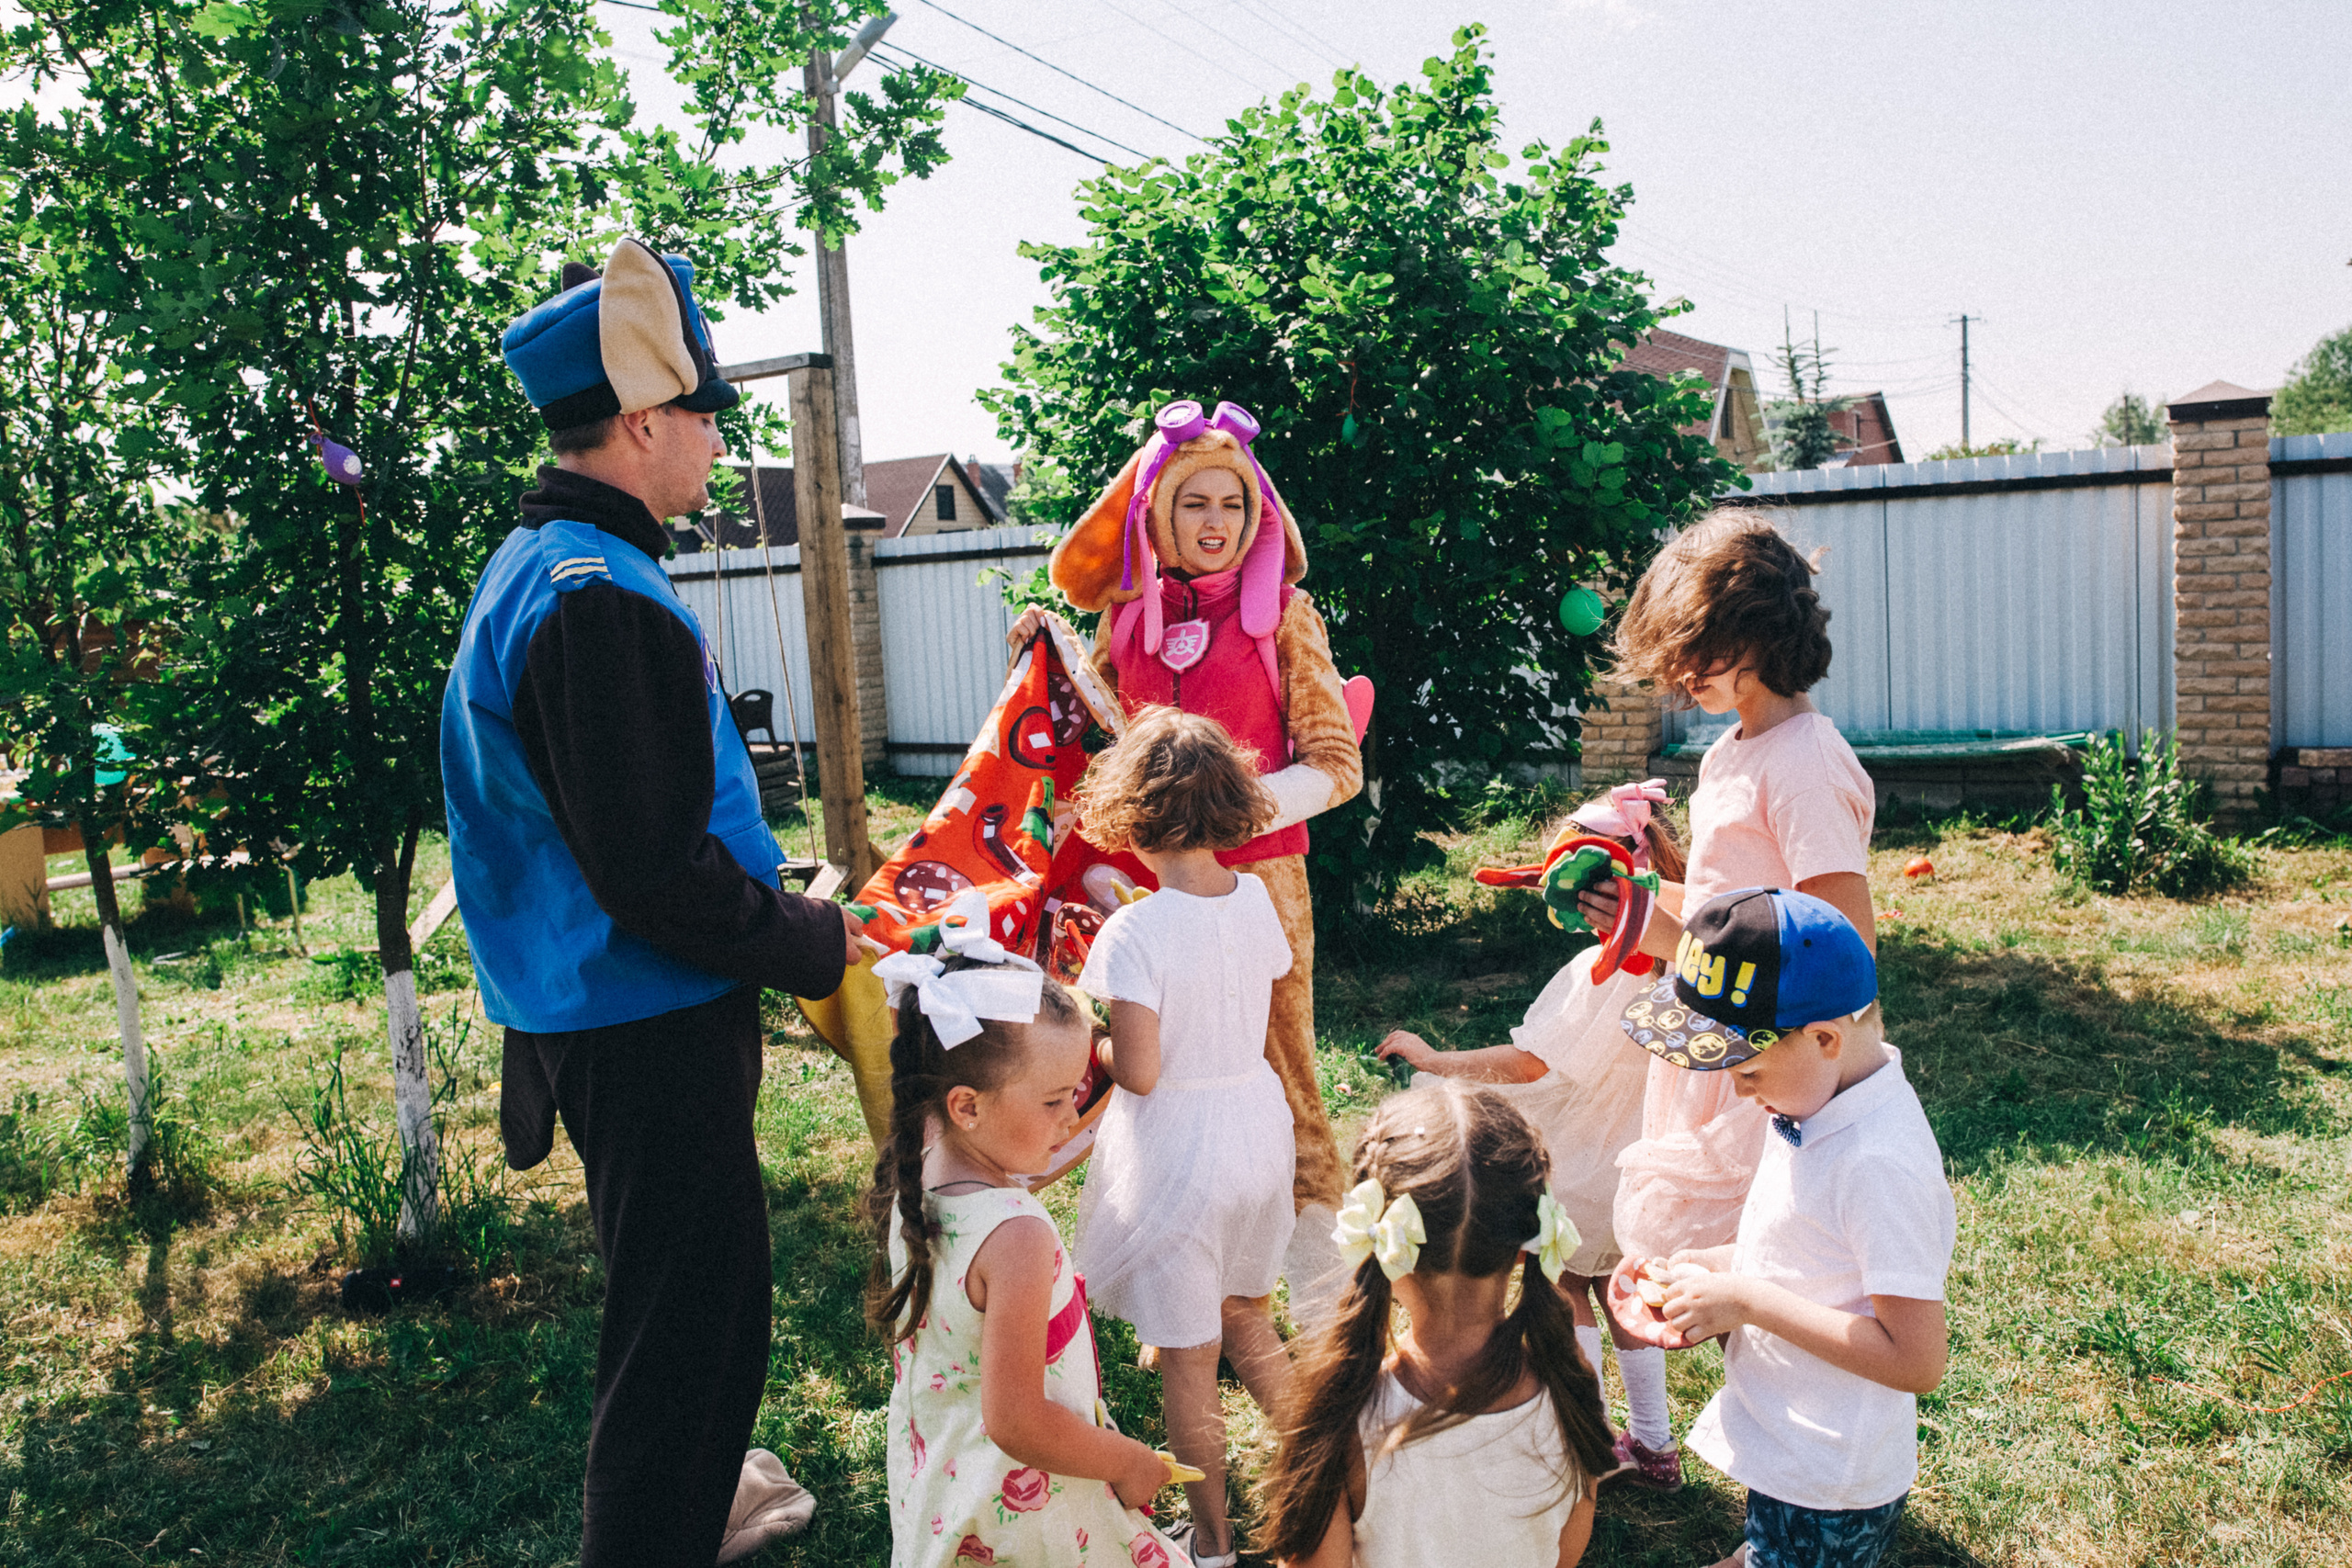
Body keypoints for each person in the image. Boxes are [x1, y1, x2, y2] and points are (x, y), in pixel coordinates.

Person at [442, 237, 864, 1568]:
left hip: (607, 1006)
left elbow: (627, 819)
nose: (714, 443)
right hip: (643, 1018)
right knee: (690, 1329)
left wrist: (766, 888)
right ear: (639, 421)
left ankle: (690, 1510)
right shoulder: (592, 592)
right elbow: (643, 869)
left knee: (685, 1308)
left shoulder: (555, 558)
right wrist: (806, 936)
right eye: (703, 416)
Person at [1010, 399, 1364, 1329]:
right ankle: (1189, 1298)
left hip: (1261, 888)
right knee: (1158, 1085)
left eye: (1234, 506)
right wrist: (1041, 668)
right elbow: (1092, 747)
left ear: (1258, 518)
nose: (1215, 523)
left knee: (1284, 1080)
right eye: (1194, 503)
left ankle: (1325, 1307)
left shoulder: (1286, 616)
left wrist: (1218, 815)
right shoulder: (1123, 621)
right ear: (1156, 513)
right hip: (1136, 889)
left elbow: (1337, 764)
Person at [1588, 511, 1879, 1288]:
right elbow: (1733, 901)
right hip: (1714, 1035)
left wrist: (1663, 935)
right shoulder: (1728, 753)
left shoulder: (1807, 764)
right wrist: (1641, 896)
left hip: (1771, 1055)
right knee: (1702, 1269)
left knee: (1764, 1257)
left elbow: (1841, 943)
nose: (1683, 674)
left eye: (1698, 648)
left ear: (1756, 627)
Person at [1622, 886, 1952, 1568]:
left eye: (1747, 1070)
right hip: (1792, 1441)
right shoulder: (1811, 1100)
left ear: (1825, 1037)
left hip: (1831, 1475)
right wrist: (1713, 1267)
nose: (1740, 1091)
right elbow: (1805, 1253)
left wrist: (1747, 1301)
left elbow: (1917, 1359)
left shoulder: (1878, 1161)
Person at [1374, 780, 1686, 1489]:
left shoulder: (1597, 972)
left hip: (1582, 1163)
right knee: (1625, 1293)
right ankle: (1657, 1443)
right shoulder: (1683, 954)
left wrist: (1438, 1061)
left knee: (1568, 1283)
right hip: (1641, 1159)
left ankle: (1589, 1437)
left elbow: (1530, 1061)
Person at [865, 889, 1189, 1568]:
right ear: (967, 1106)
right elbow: (1017, 1419)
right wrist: (1128, 1461)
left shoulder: (920, 1175)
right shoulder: (1013, 1236)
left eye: (1074, 1093)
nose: (1072, 1117)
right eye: (1052, 1101)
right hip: (1023, 1516)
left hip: (952, 1483)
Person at [1069, 706, 1298, 1568]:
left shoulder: (1135, 930)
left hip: (1179, 1152)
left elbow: (1138, 1071)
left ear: (1131, 813)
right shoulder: (1257, 900)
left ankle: (1210, 1542)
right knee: (1250, 1321)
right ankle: (1334, 1475)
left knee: (1189, 1361)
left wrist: (1085, 1037)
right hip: (1255, 1127)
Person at [1256, 1082, 1617, 1568]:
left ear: (1385, 1249)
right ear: (1523, 1244)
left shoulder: (1345, 1413)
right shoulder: (1570, 1385)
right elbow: (1565, 1553)